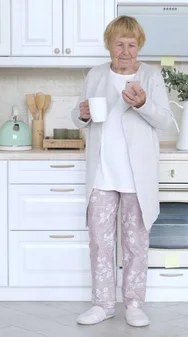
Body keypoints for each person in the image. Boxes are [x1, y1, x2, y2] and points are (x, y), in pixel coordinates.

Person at [70, 15, 174, 327]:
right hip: (102, 175)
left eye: (131, 44)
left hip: (135, 178)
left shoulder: (151, 77)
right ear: (109, 46)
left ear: (139, 46)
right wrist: (82, 113)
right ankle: (103, 304)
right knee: (100, 244)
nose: (125, 50)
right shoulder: (95, 74)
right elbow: (79, 116)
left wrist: (143, 104)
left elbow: (166, 121)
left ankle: (133, 304)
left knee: (136, 244)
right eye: (119, 44)